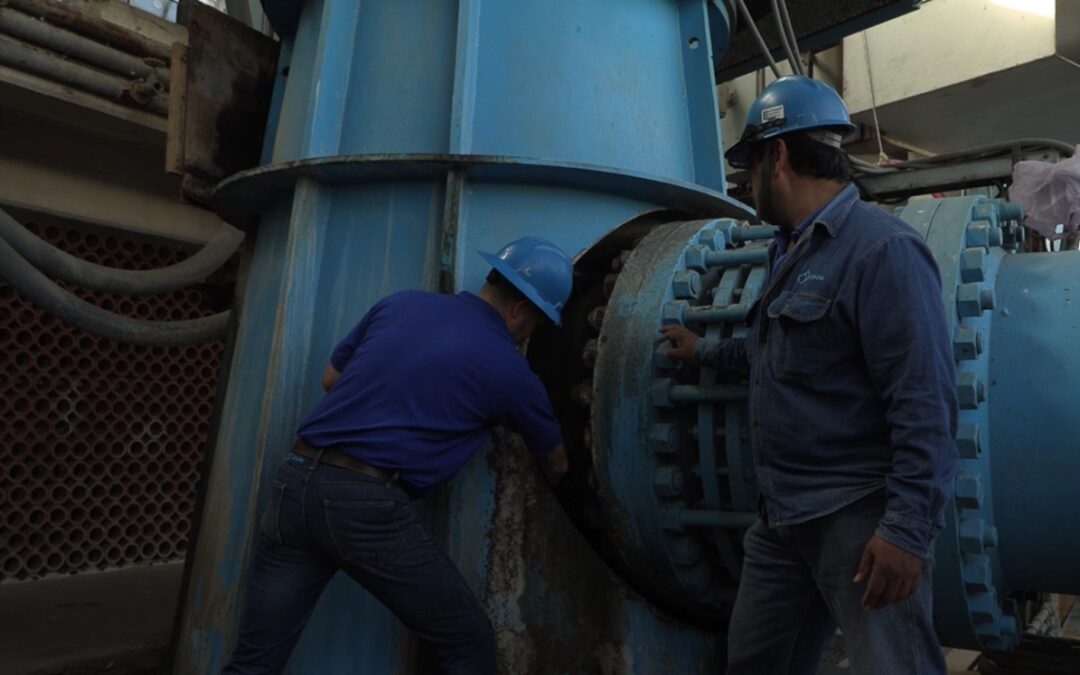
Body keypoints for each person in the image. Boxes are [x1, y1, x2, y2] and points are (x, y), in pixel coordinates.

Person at [661, 76, 958, 674]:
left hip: (855, 518)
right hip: (781, 518)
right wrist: (704, 352)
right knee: (755, 662)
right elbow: (775, 352)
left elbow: (924, 402)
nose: (746, 187)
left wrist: (904, 532)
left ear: (777, 156)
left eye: (747, 169)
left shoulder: (882, 252)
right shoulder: (789, 249)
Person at [223, 237, 573, 675]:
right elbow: (556, 461)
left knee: (255, 660)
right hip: (365, 504)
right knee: (467, 642)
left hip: (295, 482)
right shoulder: (509, 370)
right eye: (536, 324)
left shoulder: (400, 303)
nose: (529, 335)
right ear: (521, 309)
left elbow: (331, 378)